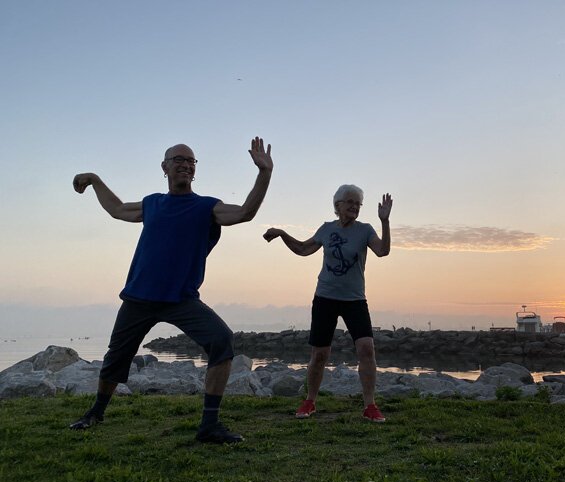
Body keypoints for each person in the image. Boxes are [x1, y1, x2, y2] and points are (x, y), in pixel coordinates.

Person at [68, 137, 273, 444]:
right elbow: (118, 209)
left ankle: (209, 425)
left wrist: (264, 174)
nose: (185, 164)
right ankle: (96, 412)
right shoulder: (153, 203)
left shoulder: (206, 207)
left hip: (182, 299)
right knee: (116, 356)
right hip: (139, 296)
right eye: (178, 159)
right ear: (164, 167)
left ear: (194, 171)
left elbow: (245, 212)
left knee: (221, 341)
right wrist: (96, 180)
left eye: (190, 161)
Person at [263, 185, 392, 422]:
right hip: (325, 298)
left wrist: (385, 221)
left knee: (366, 349)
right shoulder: (326, 229)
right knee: (320, 354)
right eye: (349, 202)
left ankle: (370, 405)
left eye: (358, 204)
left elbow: (382, 251)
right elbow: (303, 249)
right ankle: (310, 401)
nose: (354, 206)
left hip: (355, 300)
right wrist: (282, 234)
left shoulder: (365, 230)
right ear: (337, 206)